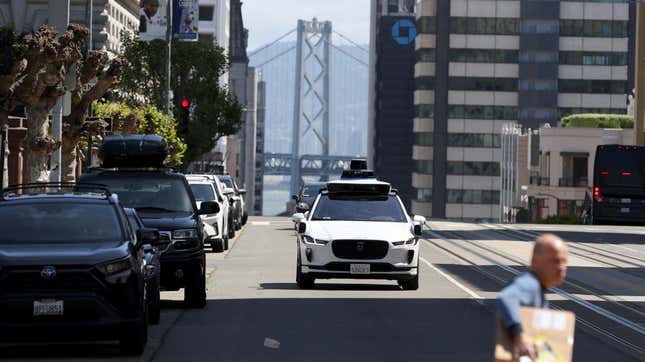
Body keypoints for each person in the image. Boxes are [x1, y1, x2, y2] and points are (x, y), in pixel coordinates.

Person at [497, 233, 569, 360]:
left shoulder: (537, 287)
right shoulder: (530, 283)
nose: (561, 268)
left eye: (564, 261)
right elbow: (508, 296)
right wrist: (520, 335)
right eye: (555, 261)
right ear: (535, 261)